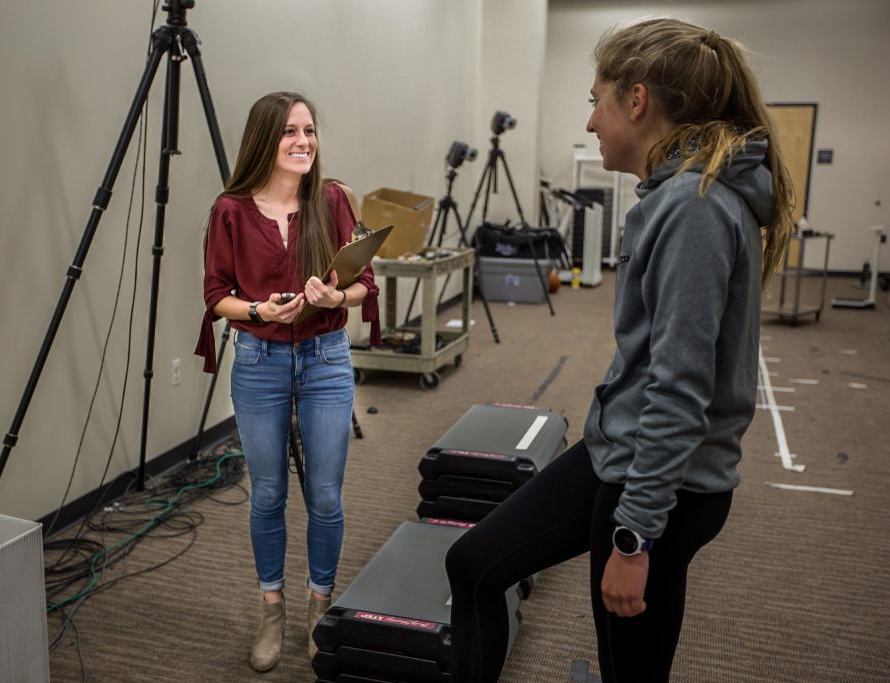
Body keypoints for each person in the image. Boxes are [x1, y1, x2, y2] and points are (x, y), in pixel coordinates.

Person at [445, 18, 793, 683]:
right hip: (622, 453)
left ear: (637, 100)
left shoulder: (694, 209)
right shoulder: (678, 197)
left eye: (595, 100)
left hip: (659, 483)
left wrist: (636, 536)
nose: (589, 122)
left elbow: (683, 386)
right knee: (474, 563)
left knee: (628, 670)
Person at [194, 91, 380, 672]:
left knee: (324, 496)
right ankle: (271, 608)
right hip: (259, 362)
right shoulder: (230, 209)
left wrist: (334, 295)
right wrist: (258, 313)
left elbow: (363, 284)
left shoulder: (332, 200)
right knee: (269, 494)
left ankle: (318, 606)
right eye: (290, 131)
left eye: (310, 130)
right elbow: (215, 295)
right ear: (264, 140)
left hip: (325, 359)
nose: (304, 141)